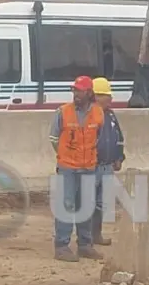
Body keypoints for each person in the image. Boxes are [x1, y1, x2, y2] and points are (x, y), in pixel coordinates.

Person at [49, 76, 103, 262]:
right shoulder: (63, 112)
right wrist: (66, 158)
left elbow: (100, 138)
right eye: (74, 90)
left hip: (88, 167)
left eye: (79, 91)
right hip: (68, 167)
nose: (76, 94)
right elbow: (54, 138)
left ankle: (85, 245)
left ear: (89, 93)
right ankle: (62, 246)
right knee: (67, 206)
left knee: (85, 206)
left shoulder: (98, 113)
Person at [91, 77, 124, 247]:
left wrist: (119, 157)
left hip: (107, 166)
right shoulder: (87, 115)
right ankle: (86, 238)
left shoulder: (111, 115)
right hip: (91, 166)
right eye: (102, 95)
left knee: (101, 203)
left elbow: (118, 137)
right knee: (88, 203)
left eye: (107, 96)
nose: (107, 99)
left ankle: (96, 234)